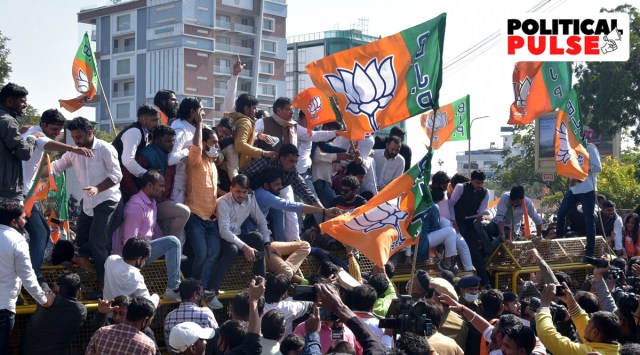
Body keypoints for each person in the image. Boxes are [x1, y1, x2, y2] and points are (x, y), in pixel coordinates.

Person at [50, 116, 122, 299]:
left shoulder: (105, 148)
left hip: (107, 199)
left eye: (80, 137)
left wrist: (98, 188)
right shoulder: (74, 151)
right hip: (88, 202)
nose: (76, 141)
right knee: (82, 240)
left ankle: (104, 285)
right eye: (74, 137)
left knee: (97, 241)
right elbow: (55, 168)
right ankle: (86, 267)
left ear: (90, 133)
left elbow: (117, 175)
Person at [21, 109, 93, 281]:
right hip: (22, 196)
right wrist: (74, 149)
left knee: (43, 231)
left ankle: (30, 271)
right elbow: (46, 144)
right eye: (53, 130)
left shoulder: (30, 130)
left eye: (59, 131)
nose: (56, 134)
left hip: (26, 195)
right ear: (43, 125)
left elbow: (48, 169)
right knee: (40, 233)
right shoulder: (37, 134)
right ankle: (32, 274)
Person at [111, 169, 182, 302]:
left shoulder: (152, 202)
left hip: (144, 252)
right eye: (160, 185)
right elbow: (129, 242)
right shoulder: (136, 206)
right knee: (173, 242)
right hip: (132, 257)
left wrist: (166, 250)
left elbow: (154, 229)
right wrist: (136, 265)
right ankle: (173, 288)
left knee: (172, 244)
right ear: (150, 186)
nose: (164, 189)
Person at [254, 169, 335, 281]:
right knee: (287, 272)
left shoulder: (264, 193)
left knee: (304, 245)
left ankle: (281, 279)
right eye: (276, 184)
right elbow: (290, 205)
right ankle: (306, 283)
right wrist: (323, 211)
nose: (280, 187)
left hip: (268, 242)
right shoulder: (263, 195)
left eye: (280, 184)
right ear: (266, 185)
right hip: (258, 247)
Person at [208, 174, 270, 309]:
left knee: (257, 237)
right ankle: (212, 292)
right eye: (238, 191)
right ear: (231, 189)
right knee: (233, 249)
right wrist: (245, 247)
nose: (241, 195)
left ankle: (260, 285)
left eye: (244, 192)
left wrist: (267, 242)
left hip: (237, 237)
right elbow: (224, 232)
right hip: (222, 239)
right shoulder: (223, 202)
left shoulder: (250, 198)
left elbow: (261, 220)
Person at [0, 202, 55, 351]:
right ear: (14, 222)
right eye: (24, 218)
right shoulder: (17, 241)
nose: (26, 221)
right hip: (3, 307)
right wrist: (44, 300)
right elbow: (28, 277)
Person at [242, 143, 324, 238]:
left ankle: (281, 244)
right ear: (281, 158)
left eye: (296, 162)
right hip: (249, 196)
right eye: (291, 161)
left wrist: (324, 211)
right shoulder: (266, 162)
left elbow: (307, 194)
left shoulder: (292, 174)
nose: (294, 165)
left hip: (269, 201)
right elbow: (244, 174)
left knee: (279, 212)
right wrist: (246, 191)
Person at [183, 114, 221, 292]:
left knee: (213, 253)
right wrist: (199, 123)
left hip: (211, 218)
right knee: (202, 253)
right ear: (205, 143)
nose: (216, 146)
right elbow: (196, 146)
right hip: (195, 216)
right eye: (213, 142)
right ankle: (193, 288)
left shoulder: (213, 164)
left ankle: (203, 288)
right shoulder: (195, 161)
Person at [137, 125, 191, 239]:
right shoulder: (147, 155)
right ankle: (172, 245)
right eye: (168, 141)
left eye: (173, 140)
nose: (171, 144)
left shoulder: (168, 155)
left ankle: (170, 249)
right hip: (148, 203)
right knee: (183, 212)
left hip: (164, 200)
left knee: (166, 230)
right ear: (157, 140)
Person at [536, 283, 620, 355]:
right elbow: (583, 322)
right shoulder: (617, 348)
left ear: (595, 332)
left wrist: (544, 306)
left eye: (589, 323)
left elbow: (547, 335)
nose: (586, 324)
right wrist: (571, 303)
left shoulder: (588, 352)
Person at [19, 272, 87, 355]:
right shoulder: (81, 311)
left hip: (27, 351)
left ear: (59, 287)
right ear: (79, 290)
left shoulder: (47, 298)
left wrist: (53, 291)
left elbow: (40, 280)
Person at [555, 143, 602, 257]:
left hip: (588, 190)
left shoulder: (590, 147)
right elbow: (572, 167)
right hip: (575, 190)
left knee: (589, 219)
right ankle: (559, 242)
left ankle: (589, 250)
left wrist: (581, 173)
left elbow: (598, 167)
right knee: (561, 214)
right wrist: (572, 177)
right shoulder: (571, 148)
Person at [111, 103, 161, 200]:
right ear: (143, 119)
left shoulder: (144, 133)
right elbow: (127, 161)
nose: (157, 124)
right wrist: (148, 175)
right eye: (154, 120)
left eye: (157, 120)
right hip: (115, 180)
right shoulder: (135, 132)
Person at [449, 170, 490, 285]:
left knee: (475, 252)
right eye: (477, 182)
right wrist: (453, 221)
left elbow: (482, 209)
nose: (479, 185)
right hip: (457, 223)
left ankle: (484, 283)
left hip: (470, 224)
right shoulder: (460, 187)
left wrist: (480, 216)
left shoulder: (485, 192)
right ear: (471, 180)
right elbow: (451, 205)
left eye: (482, 183)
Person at [419, 187, 473, 272]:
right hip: (422, 242)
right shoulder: (433, 207)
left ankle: (450, 261)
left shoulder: (421, 205)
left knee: (449, 232)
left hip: (417, 241)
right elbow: (435, 229)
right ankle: (448, 263)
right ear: (440, 200)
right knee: (450, 231)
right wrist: (440, 245)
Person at [0, 83, 38, 202]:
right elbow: (24, 153)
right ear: (9, 101)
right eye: (22, 101)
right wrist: (32, 138)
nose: (25, 105)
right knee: (13, 221)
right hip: (5, 192)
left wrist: (19, 134)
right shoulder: (8, 121)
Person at [86, 296, 158, 355]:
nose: (117, 318)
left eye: (122, 314)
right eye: (114, 313)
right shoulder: (104, 329)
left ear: (130, 313)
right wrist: (101, 313)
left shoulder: (147, 333)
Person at [479, 186, 543, 251]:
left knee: (495, 244)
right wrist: (503, 237)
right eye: (512, 201)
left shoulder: (528, 203)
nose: (514, 204)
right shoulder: (505, 197)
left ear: (522, 198)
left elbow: (538, 220)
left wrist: (538, 237)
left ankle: (489, 249)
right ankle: (487, 246)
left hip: (511, 230)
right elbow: (500, 219)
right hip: (497, 224)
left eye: (517, 202)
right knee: (477, 225)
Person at [103, 237, 161, 307]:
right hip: (123, 316)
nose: (144, 263)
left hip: (106, 312)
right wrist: (156, 297)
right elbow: (148, 305)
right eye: (144, 260)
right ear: (139, 259)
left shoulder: (111, 260)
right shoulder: (136, 276)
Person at [227, 93, 277, 170]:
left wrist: (259, 135)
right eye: (254, 108)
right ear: (246, 108)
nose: (256, 111)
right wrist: (263, 153)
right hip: (236, 167)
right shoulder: (245, 122)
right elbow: (239, 144)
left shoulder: (236, 119)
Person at [216, 277, 265, 354]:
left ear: (231, 309)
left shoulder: (214, 336)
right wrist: (254, 300)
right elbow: (253, 344)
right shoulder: (261, 344)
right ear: (261, 314)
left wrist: (253, 300)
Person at [169, 97, 204, 204]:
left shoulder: (189, 128)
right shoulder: (181, 129)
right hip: (177, 188)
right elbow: (171, 159)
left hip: (186, 185)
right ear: (193, 112)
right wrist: (188, 151)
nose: (204, 112)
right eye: (201, 110)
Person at [164, 278, 218, 343]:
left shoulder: (169, 317)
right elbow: (217, 336)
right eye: (201, 293)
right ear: (195, 294)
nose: (202, 295)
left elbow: (169, 344)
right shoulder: (206, 313)